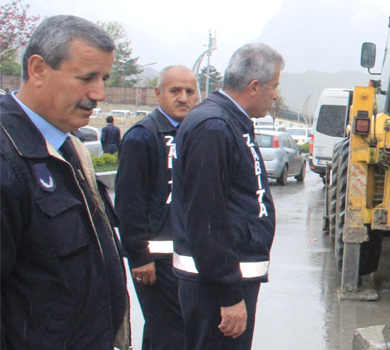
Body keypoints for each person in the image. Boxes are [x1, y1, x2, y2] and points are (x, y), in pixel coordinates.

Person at [0, 15, 130, 349]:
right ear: (38, 69)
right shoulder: (8, 158)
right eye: (87, 77)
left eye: (104, 77)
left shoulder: (68, 147)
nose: (99, 93)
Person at [170, 43, 282, 350]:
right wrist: (229, 294)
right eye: (273, 87)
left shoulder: (231, 123)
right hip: (215, 289)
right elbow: (207, 220)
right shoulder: (214, 127)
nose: (275, 95)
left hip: (228, 281)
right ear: (253, 86)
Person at [115, 65, 199, 350]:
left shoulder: (193, 133)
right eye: (175, 91)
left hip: (183, 258)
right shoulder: (142, 136)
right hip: (154, 261)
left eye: (190, 91)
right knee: (173, 335)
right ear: (158, 93)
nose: (183, 98)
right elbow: (128, 202)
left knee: (163, 331)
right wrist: (138, 255)